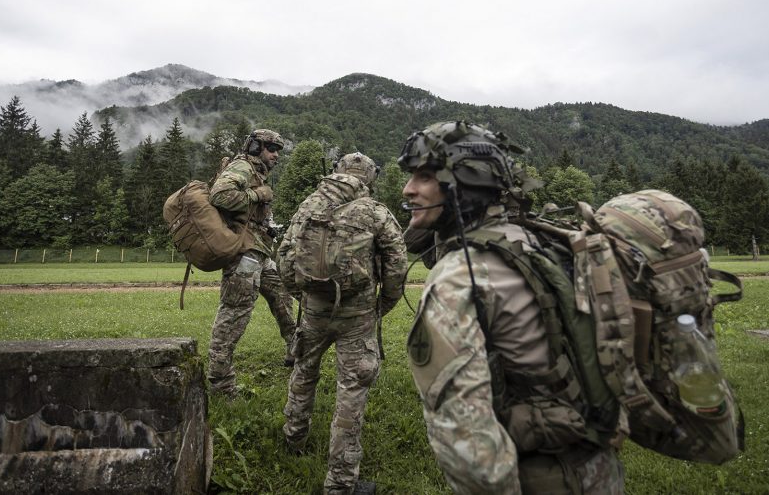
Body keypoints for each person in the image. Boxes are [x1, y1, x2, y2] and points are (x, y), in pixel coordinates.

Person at [398, 121, 625, 494]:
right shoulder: (537, 242)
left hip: (534, 477)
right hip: (599, 471)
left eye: (424, 176)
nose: (408, 190)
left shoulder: (459, 276)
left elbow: (466, 441)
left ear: (464, 183)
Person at [278, 152, 407, 495]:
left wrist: (302, 295)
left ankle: (293, 437)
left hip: (315, 310)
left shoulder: (308, 206)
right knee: (351, 390)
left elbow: (284, 257)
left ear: (337, 174)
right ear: (368, 178)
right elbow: (397, 264)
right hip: (358, 315)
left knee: (304, 370)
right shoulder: (375, 211)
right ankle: (340, 481)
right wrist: (384, 304)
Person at [206, 128, 296, 397]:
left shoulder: (257, 172)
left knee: (282, 294)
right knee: (235, 314)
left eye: (278, 150)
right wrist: (259, 195)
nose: (276, 155)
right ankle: (220, 383)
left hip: (259, 251)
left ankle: (296, 349)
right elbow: (218, 195)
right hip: (243, 254)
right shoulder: (243, 166)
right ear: (256, 147)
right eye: (271, 148)